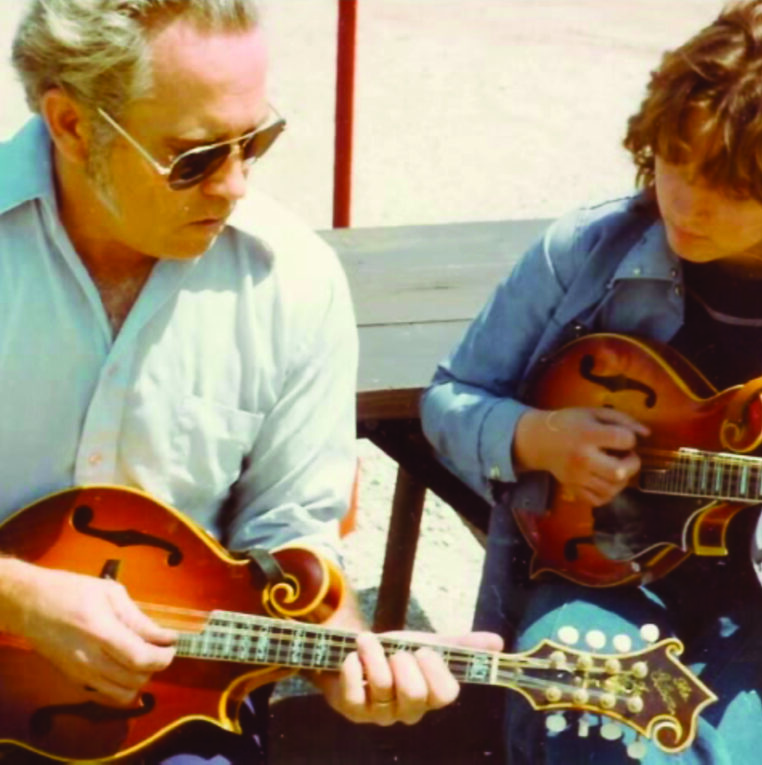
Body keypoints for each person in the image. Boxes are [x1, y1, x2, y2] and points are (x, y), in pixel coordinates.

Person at [421, 0, 762, 762]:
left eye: (730, 186)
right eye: (675, 160)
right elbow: (450, 400)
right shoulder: (583, 254)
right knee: (586, 731)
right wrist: (535, 436)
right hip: (596, 577)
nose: (686, 203)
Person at [0, 1, 500, 762]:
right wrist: (23, 598)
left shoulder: (291, 281)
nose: (235, 185)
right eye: (195, 156)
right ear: (71, 124)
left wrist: (350, 661)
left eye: (256, 140)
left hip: (170, 718)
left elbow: (290, 543)